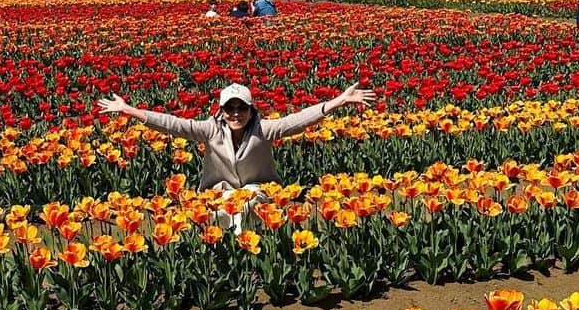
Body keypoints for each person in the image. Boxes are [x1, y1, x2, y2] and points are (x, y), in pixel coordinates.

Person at [97, 82, 376, 232]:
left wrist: (337, 102)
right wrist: (130, 110)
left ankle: (244, 243)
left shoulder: (264, 129)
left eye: (241, 108)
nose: (235, 114)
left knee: (246, 201)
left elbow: (298, 121)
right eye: (229, 109)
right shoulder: (209, 129)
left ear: (251, 110)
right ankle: (233, 245)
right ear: (220, 111)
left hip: (259, 190)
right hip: (221, 191)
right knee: (225, 206)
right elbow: (173, 124)